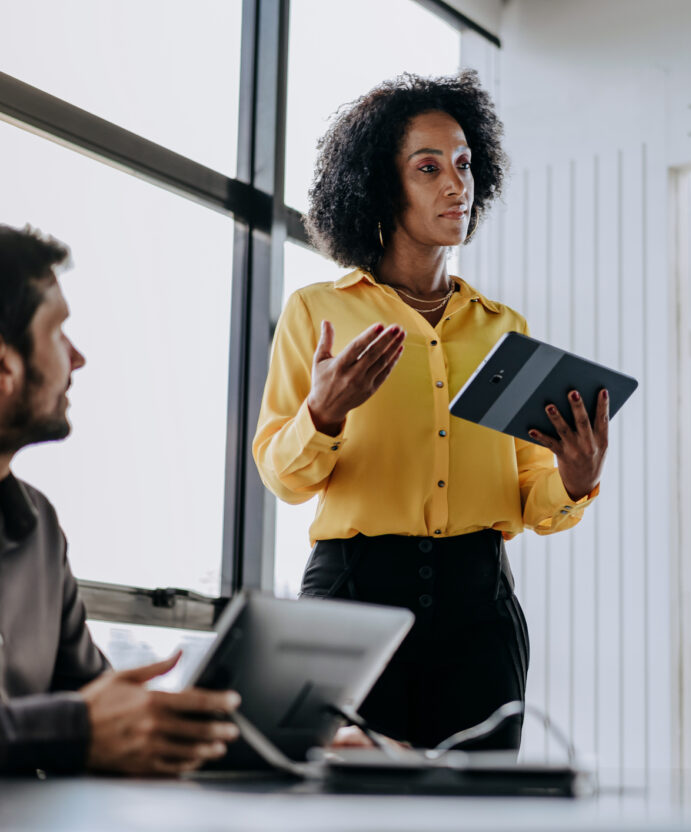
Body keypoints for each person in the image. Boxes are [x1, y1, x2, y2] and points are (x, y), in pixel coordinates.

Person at [253, 71, 608, 752]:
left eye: (465, 164)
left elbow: (534, 498)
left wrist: (575, 478)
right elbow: (284, 477)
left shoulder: (502, 328)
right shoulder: (317, 312)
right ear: (381, 187)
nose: (456, 184)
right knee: (348, 796)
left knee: (479, 802)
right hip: (352, 599)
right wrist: (321, 416)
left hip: (480, 613)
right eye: (428, 167)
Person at [0, 225, 241, 775]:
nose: (78, 358)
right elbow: (85, 721)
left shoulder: (39, 529)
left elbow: (101, 703)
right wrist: (73, 730)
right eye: (58, 332)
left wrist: (276, 741)